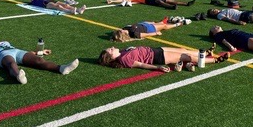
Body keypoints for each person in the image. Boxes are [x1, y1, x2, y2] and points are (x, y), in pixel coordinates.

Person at [0, 40, 79, 85]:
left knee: (38, 60)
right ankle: (19, 77)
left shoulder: (0, 42)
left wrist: (40, 52)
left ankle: (62, 68)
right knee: (11, 64)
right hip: (1, 54)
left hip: (15, 50)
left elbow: (29, 53)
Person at [98, 45, 229, 72]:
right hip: (158, 57)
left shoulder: (121, 52)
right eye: (110, 49)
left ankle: (205, 53)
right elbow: (141, 65)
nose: (112, 47)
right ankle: (215, 60)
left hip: (156, 50)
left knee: (183, 50)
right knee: (186, 57)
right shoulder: (124, 60)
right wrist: (157, 67)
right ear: (111, 56)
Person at [111, 19, 188, 42]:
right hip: (149, 29)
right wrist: (156, 33)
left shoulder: (125, 28)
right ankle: (178, 24)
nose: (121, 29)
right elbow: (145, 35)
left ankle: (169, 20)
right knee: (164, 26)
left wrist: (146, 22)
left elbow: (136, 24)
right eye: (120, 31)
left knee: (159, 23)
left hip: (145, 25)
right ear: (123, 34)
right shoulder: (133, 34)